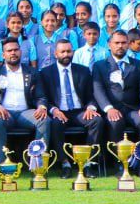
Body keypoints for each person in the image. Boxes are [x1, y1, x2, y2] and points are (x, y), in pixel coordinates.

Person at [92, 29, 140, 177]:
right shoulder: (100, 66)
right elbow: (98, 89)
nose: (120, 46)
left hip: (134, 109)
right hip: (112, 109)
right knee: (115, 123)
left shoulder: (138, 64)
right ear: (109, 45)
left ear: (128, 44)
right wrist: (108, 109)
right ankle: (119, 165)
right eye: (116, 43)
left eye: (123, 43)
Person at [38, 39, 103, 179]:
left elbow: (91, 94)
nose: (66, 54)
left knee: (96, 120)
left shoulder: (83, 71)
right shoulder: (45, 73)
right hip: (59, 111)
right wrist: (54, 110)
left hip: (80, 111)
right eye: (63, 52)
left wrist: (91, 107)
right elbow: (42, 97)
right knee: (54, 123)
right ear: (56, 54)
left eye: (69, 51)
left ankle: (88, 163)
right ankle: (65, 164)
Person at [0, 38, 50, 163]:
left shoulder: (32, 72)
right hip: (5, 113)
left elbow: (41, 96)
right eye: (9, 51)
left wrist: (42, 106)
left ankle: (38, 164)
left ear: (20, 52)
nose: (13, 53)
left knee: (44, 119)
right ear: (3, 55)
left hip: (25, 112)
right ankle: (2, 165)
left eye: (16, 50)